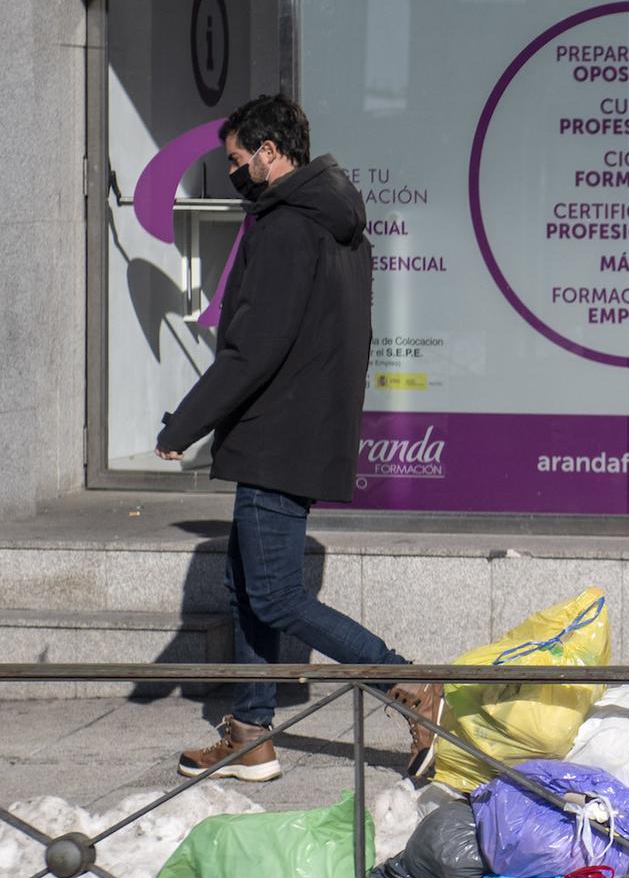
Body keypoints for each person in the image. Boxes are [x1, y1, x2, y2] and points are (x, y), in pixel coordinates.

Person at [155, 94, 440, 782]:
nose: (234, 172)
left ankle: (410, 683)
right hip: (299, 431)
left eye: (236, 160)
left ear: (271, 153)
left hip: (277, 433)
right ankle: (252, 734)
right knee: (249, 585)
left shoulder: (285, 227)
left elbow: (255, 347)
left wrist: (185, 424)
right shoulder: (338, 226)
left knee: (277, 594)